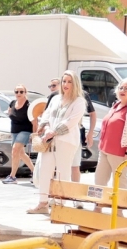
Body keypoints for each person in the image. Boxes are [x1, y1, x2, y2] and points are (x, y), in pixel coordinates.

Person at [28, 71, 87, 215]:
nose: (66, 84)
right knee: (45, 170)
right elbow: (46, 115)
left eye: (69, 81)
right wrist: (47, 128)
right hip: (49, 141)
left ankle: (60, 204)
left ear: (75, 84)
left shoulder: (79, 101)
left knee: (62, 172)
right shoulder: (55, 99)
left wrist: (53, 132)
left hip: (66, 141)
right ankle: (43, 203)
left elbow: (71, 121)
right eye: (64, 81)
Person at [93, 78, 127, 193]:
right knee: (99, 180)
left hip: (119, 153)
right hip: (105, 150)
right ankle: (98, 206)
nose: (123, 90)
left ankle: (119, 210)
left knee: (119, 182)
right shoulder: (116, 105)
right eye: (121, 88)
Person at [3, 86, 36, 183]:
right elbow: (10, 113)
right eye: (16, 91)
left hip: (25, 130)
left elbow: (34, 121)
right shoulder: (12, 103)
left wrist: (35, 135)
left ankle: (12, 176)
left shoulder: (29, 105)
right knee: (20, 153)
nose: (19, 93)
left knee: (15, 150)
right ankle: (36, 173)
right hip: (14, 130)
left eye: (21, 91)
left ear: (25, 92)